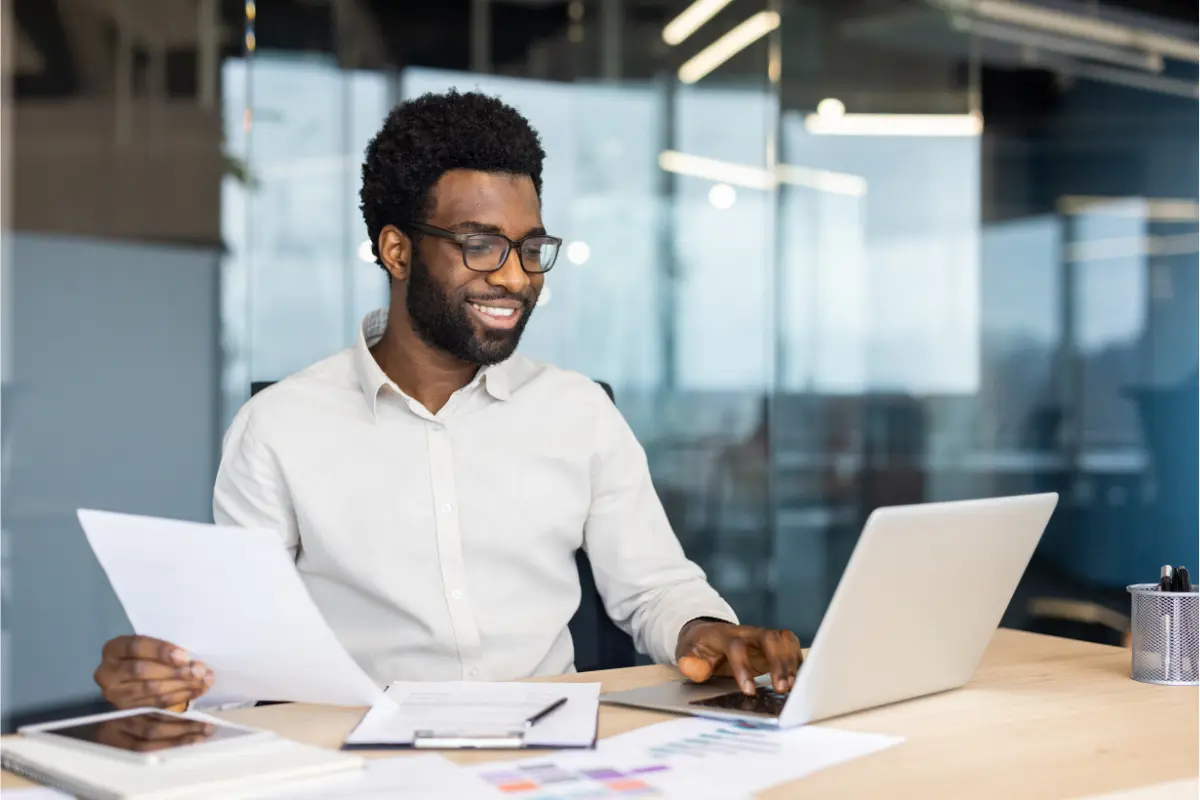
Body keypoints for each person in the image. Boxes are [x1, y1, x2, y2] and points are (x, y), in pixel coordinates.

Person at [93, 90, 802, 711]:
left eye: (529, 248)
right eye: (481, 245)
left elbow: (655, 589)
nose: (517, 279)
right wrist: (171, 676)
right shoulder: (279, 429)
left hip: (550, 759)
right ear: (397, 251)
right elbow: (236, 650)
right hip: (359, 764)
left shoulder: (579, 411)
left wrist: (703, 630)